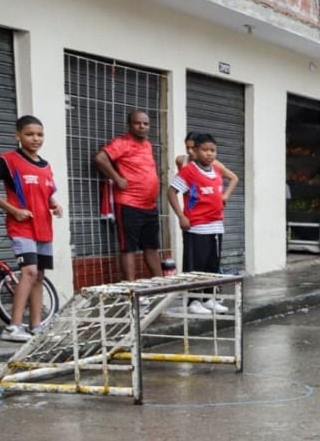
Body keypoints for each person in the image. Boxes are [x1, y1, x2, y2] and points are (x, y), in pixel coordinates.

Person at [0, 115, 63, 342]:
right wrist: (12, 210)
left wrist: (54, 205)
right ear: (17, 135)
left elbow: (46, 194)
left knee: (39, 276)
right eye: (29, 134)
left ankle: (36, 326)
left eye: (39, 134)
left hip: (44, 227)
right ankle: (13, 327)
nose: (35, 139)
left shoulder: (46, 166)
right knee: (29, 272)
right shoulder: (8, 160)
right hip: (21, 226)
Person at [94, 110, 161, 282]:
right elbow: (100, 158)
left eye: (146, 124)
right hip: (128, 204)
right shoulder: (122, 143)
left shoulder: (147, 145)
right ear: (129, 125)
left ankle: (162, 286)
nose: (142, 127)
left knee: (151, 247)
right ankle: (131, 290)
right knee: (128, 249)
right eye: (138, 123)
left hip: (150, 205)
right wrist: (116, 178)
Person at [167, 133, 229, 313]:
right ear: (195, 151)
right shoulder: (188, 171)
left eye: (213, 150)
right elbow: (171, 192)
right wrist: (181, 216)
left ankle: (209, 298)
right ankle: (193, 301)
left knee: (212, 265)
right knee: (195, 265)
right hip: (197, 226)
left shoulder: (216, 170)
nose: (209, 154)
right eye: (205, 150)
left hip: (216, 226)